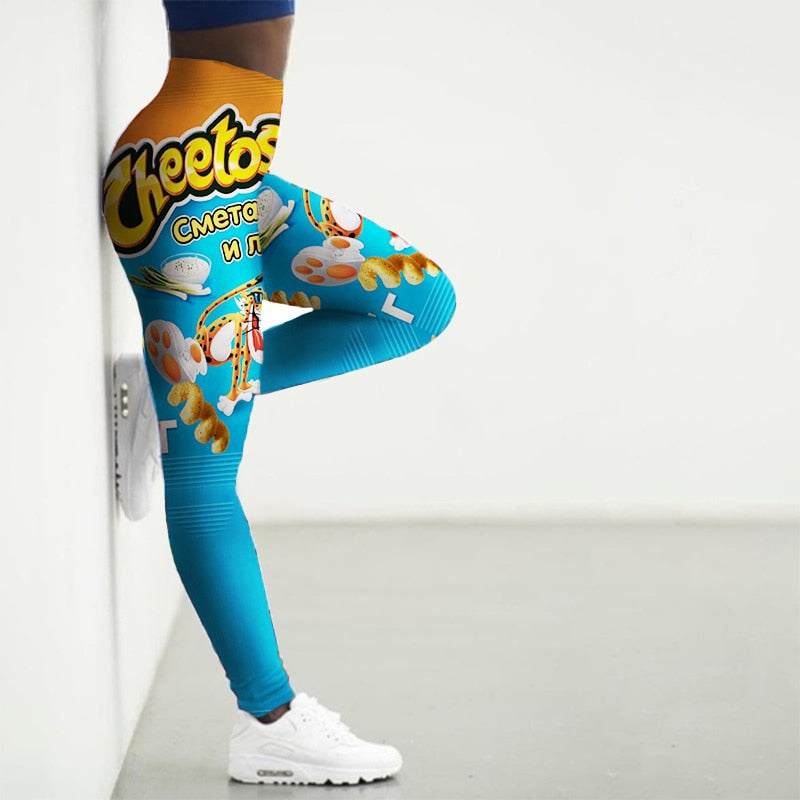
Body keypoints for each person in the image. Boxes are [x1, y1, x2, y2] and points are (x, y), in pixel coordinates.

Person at [102, 0, 456, 786]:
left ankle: (173, 396)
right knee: (205, 478)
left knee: (421, 299)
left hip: (230, 173)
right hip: (184, 182)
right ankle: (269, 722)